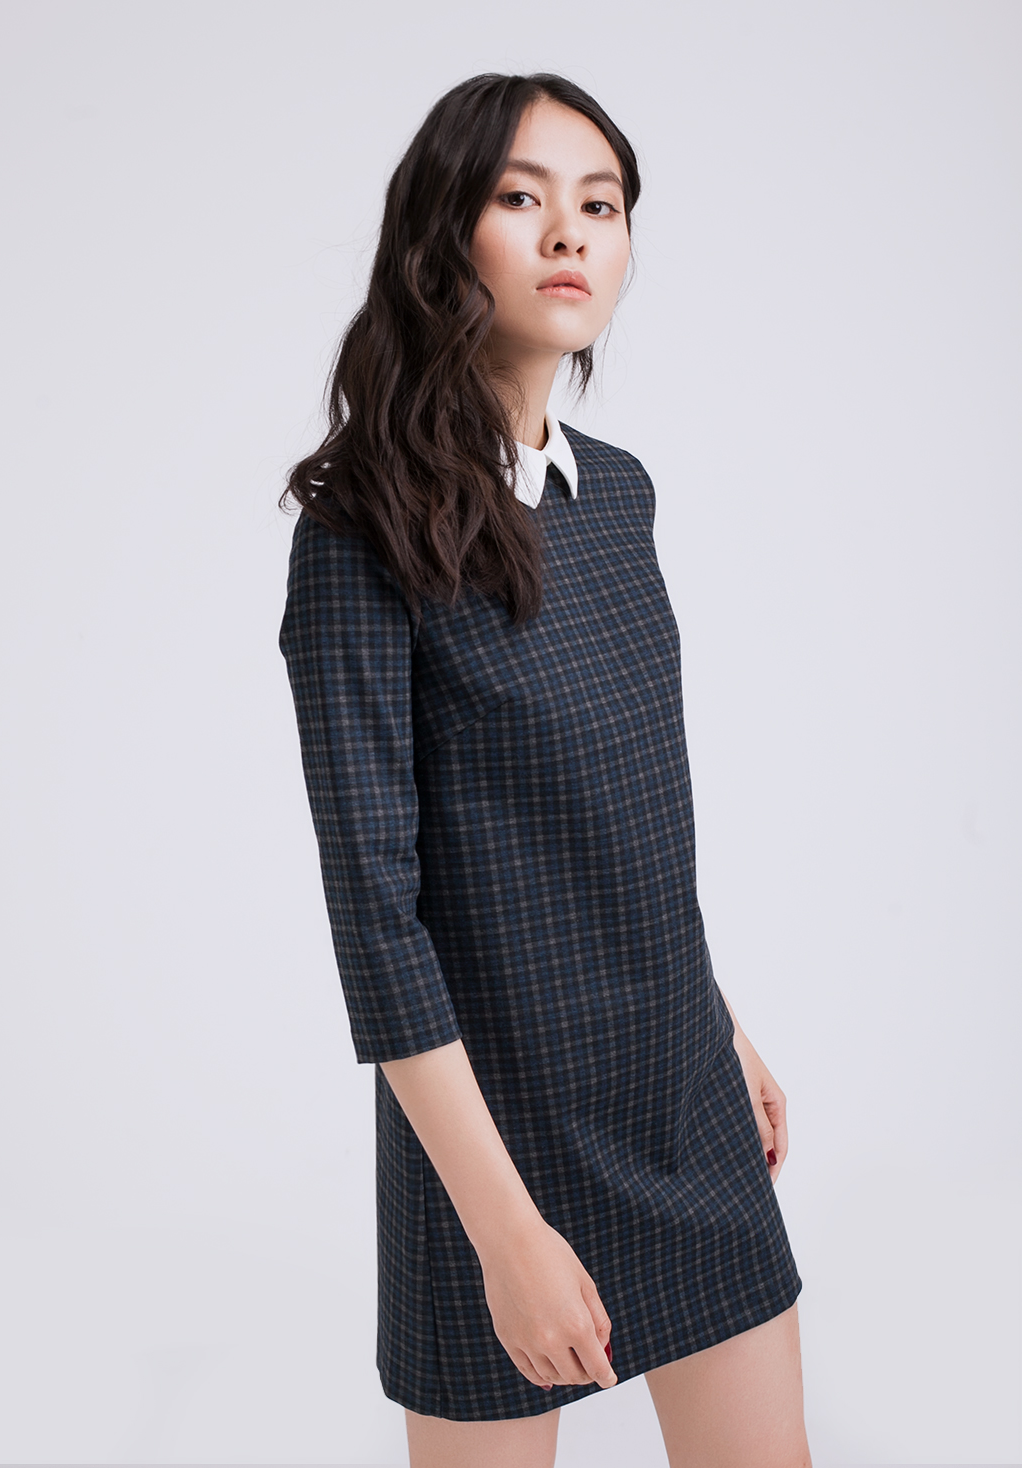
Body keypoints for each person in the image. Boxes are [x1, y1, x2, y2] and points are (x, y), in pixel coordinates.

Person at [279, 72, 813, 1468]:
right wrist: (504, 1231)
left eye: (602, 204)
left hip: (680, 1091)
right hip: (490, 1133)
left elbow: (628, 814)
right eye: (523, 198)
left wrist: (722, 1025)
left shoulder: (618, 492)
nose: (571, 232)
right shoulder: (358, 534)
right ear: (442, 231)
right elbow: (377, 921)